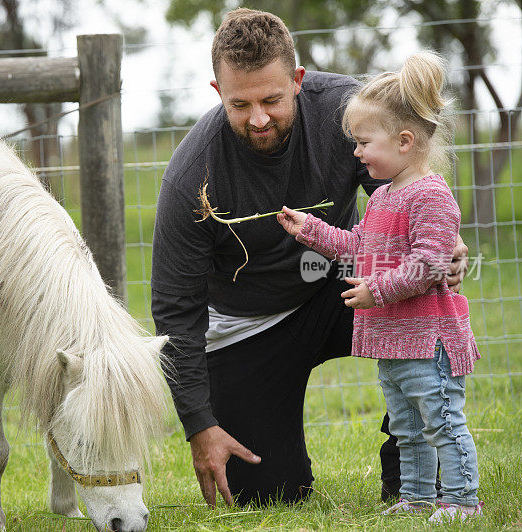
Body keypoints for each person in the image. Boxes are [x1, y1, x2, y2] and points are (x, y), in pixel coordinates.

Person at [150, 8, 468, 508]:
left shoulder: (347, 111)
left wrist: (444, 241)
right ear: (217, 92)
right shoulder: (193, 174)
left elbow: (408, 186)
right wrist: (199, 424)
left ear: (298, 81)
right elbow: (175, 309)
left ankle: (413, 469)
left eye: (272, 99)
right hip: (247, 324)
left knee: (423, 281)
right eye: (240, 104)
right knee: (266, 492)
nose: (258, 118)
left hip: (335, 282)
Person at [278, 51, 482, 523]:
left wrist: (377, 291)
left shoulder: (430, 195)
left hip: (428, 341)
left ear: (405, 141)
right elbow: (358, 246)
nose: (356, 153)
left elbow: (429, 263)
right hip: (395, 344)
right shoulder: (386, 196)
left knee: (443, 423)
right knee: (409, 428)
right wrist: (310, 228)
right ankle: (415, 496)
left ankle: (463, 500)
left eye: (363, 142)